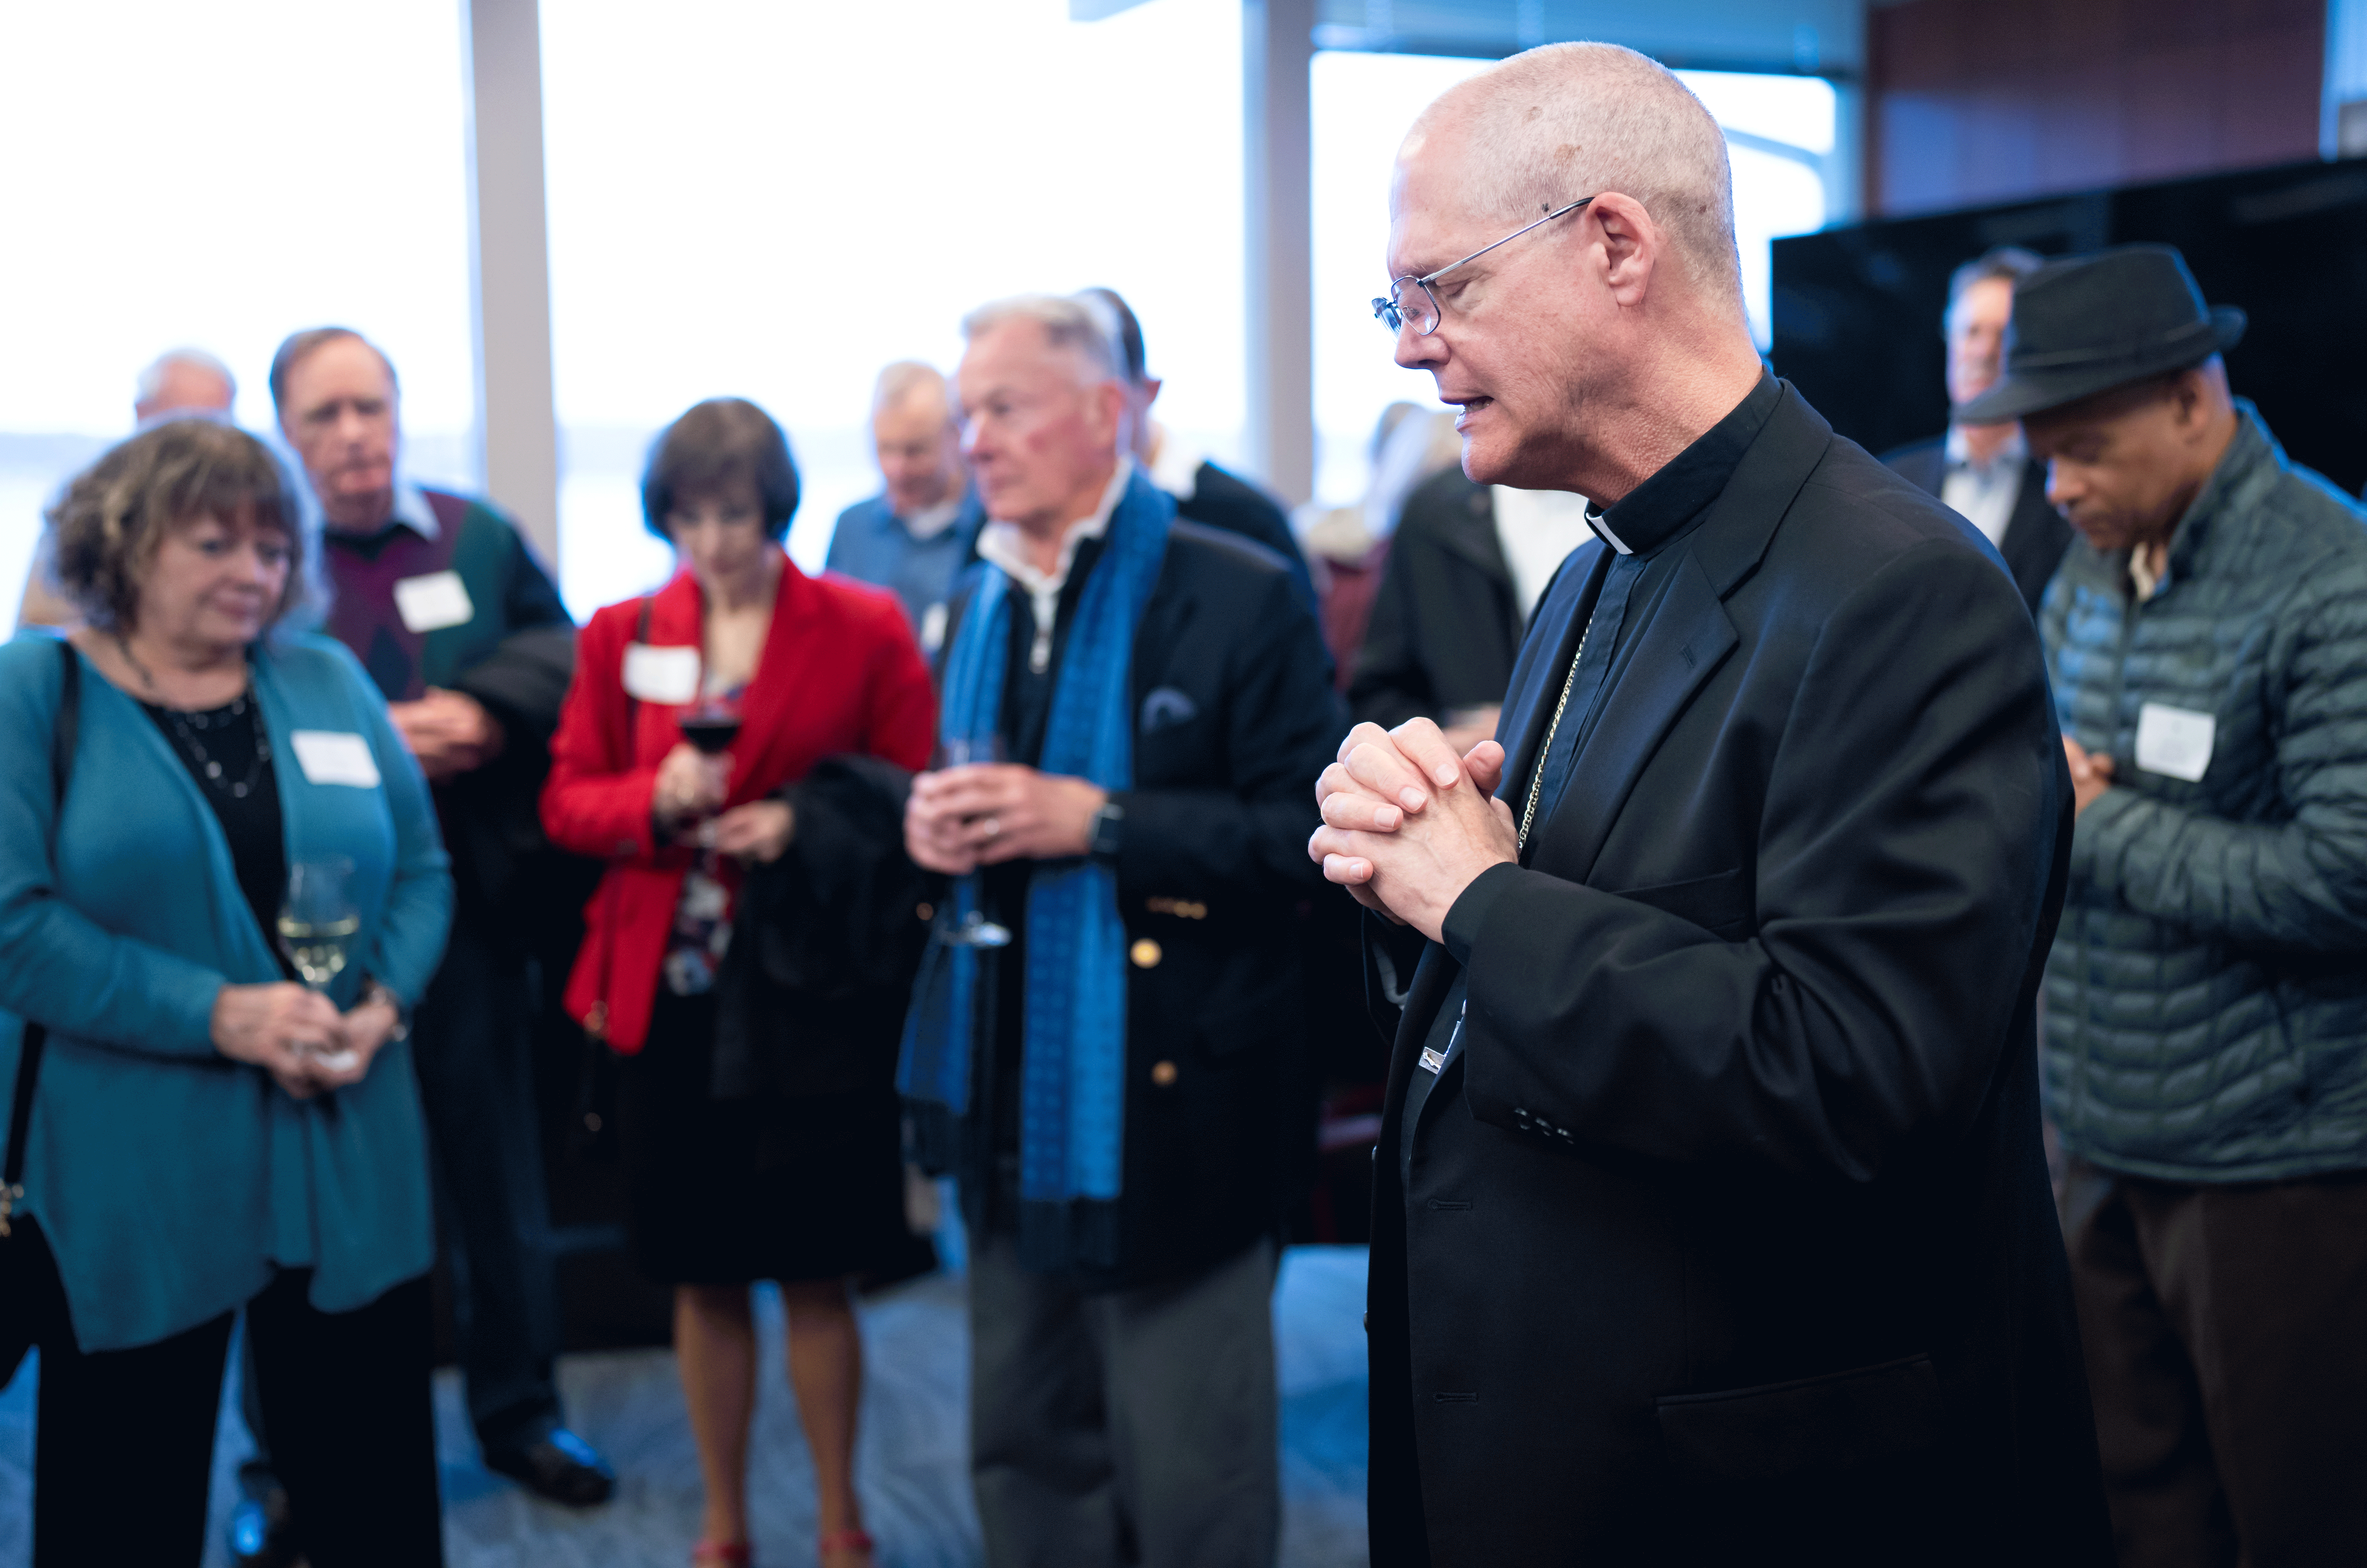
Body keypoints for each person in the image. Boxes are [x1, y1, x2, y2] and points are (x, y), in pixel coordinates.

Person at [1307, 43, 2112, 1565]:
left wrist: (1476, 895)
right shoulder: (1598, 564)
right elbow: (1538, 961)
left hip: (1746, 1477)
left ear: (1616, 245)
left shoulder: (1902, 591)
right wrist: (1400, 876)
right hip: (1548, 1424)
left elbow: (1852, 1074)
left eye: (1441, 290)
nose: (1413, 347)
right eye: (1394, 305)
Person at [900, 294, 1341, 1568]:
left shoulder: (1241, 591)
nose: (970, 441)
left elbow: (1300, 849)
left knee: (1188, 1471)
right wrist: (932, 834)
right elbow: (967, 795)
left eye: (1003, 408)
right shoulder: (970, 596)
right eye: (963, 410)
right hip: (1001, 1092)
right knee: (1021, 1446)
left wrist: (1098, 822)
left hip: (1181, 1103)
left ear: (1106, 413)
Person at [1963, 244, 2367, 1568]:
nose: (2056, 487)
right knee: (2137, 1509)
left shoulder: (2328, 581)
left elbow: (2344, 877)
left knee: (2287, 1515)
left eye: (2081, 450)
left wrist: (2104, 820)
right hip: (2093, 1129)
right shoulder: (2092, 560)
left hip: (2270, 1166)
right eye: (2040, 454)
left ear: (2194, 401)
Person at [0, 419, 453, 1566]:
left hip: (345, 1136)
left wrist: (384, 1004)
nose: (253, 573)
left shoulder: (326, 678)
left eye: (270, 548)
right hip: (135, 1165)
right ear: (123, 544)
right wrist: (220, 1013)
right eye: (214, 543)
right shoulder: (30, 686)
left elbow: (421, 870)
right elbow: (15, 925)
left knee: (372, 1496)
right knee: (124, 1499)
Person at [542, 397, 936, 1568]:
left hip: (810, 997)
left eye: (735, 515)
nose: (711, 542)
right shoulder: (620, 632)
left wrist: (800, 820)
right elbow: (566, 800)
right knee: (700, 1271)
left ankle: (840, 1521)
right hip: (666, 997)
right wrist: (649, 800)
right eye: (688, 516)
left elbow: (910, 791)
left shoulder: (859, 624)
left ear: (776, 510)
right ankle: (722, 1524)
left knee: (819, 1269)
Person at [267, 326, 613, 1513]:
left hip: (465, 911)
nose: (354, 434)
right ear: (289, 435)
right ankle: (285, 1457)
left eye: (369, 406)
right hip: (300, 934)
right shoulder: (263, 560)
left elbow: (563, 651)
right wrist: (369, 747)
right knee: (304, 1197)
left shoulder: (474, 533)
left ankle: (522, 1415)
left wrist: (480, 709)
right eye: (324, 416)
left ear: (400, 411)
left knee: (493, 1174)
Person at [1079, 286, 1320, 615]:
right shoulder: (1030, 521)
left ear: (1149, 392)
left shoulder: (1247, 517)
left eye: (1104, 404)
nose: (1087, 423)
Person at [1347, 455, 1593, 751]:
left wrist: (1530, 729)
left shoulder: (1645, 510)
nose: (1454, 405)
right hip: (1469, 779)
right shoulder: (1434, 513)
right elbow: (1378, 695)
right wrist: (1440, 747)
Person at [1883, 247, 2072, 612]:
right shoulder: (1885, 481)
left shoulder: (2067, 488)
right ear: (1949, 339)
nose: (1984, 352)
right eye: (1971, 332)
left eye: (2005, 335)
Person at [16, 346, 241, 633]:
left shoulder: (248, 508)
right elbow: (40, 623)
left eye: (215, 423)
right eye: (183, 424)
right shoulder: (89, 501)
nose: (198, 444)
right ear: (142, 413)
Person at [825, 361, 983, 655]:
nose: (897, 469)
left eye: (915, 450)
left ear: (956, 435)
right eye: (886, 449)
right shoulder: (852, 529)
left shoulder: (993, 531)